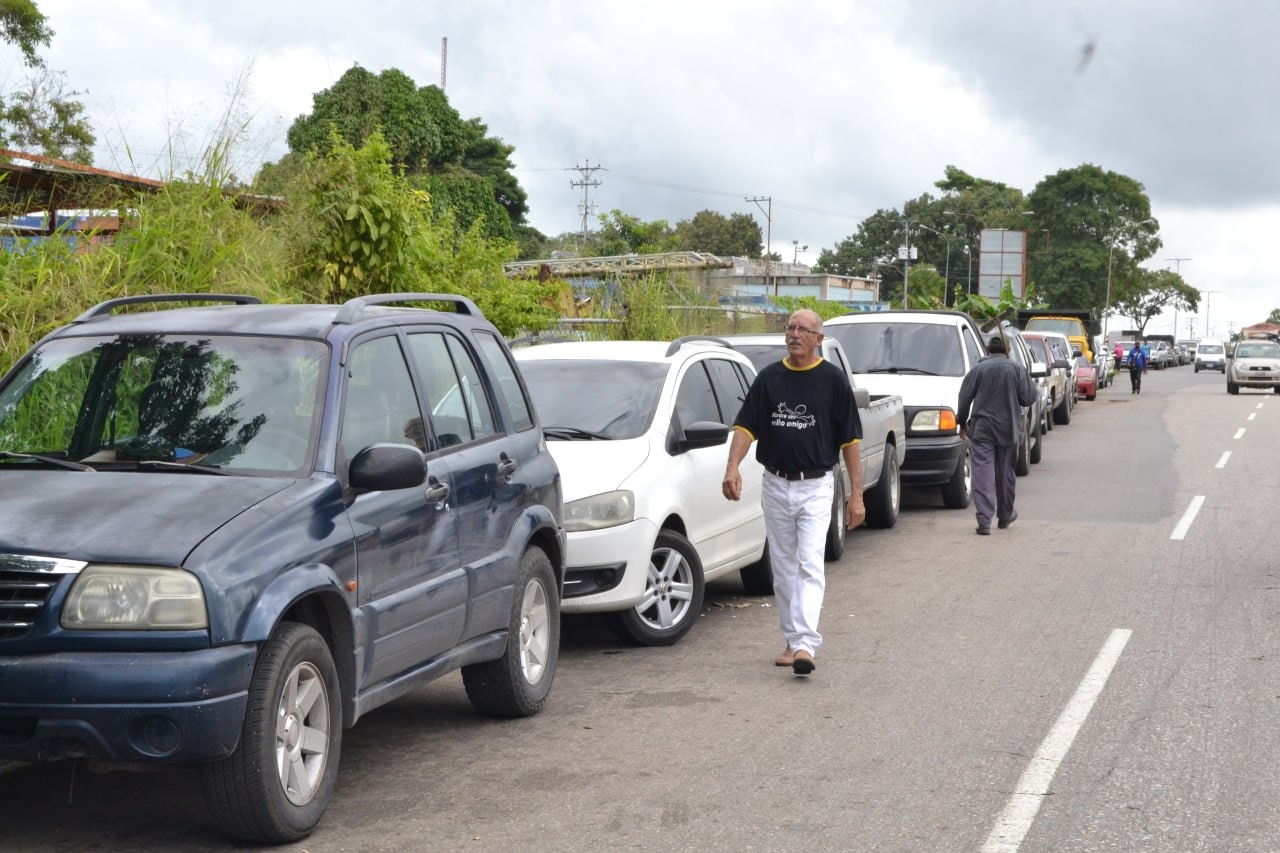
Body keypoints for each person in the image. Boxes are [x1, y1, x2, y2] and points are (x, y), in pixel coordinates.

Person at [723, 309, 865, 676]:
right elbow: (745, 426)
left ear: (818, 339)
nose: (795, 334)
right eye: (790, 328)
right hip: (775, 484)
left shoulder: (833, 381)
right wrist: (732, 466)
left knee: (809, 563)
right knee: (783, 568)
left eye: (803, 329)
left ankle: (804, 643)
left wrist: (857, 494)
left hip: (817, 486)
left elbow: (851, 441)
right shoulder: (769, 379)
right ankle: (792, 640)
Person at [956, 334, 1037, 536]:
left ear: (988, 350)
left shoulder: (978, 370)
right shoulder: (1016, 368)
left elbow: (964, 397)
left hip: (983, 429)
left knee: (983, 472)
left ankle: (984, 520)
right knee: (1005, 472)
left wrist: (961, 422)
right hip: (1009, 429)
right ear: (1008, 350)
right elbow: (1028, 398)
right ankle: (1005, 514)